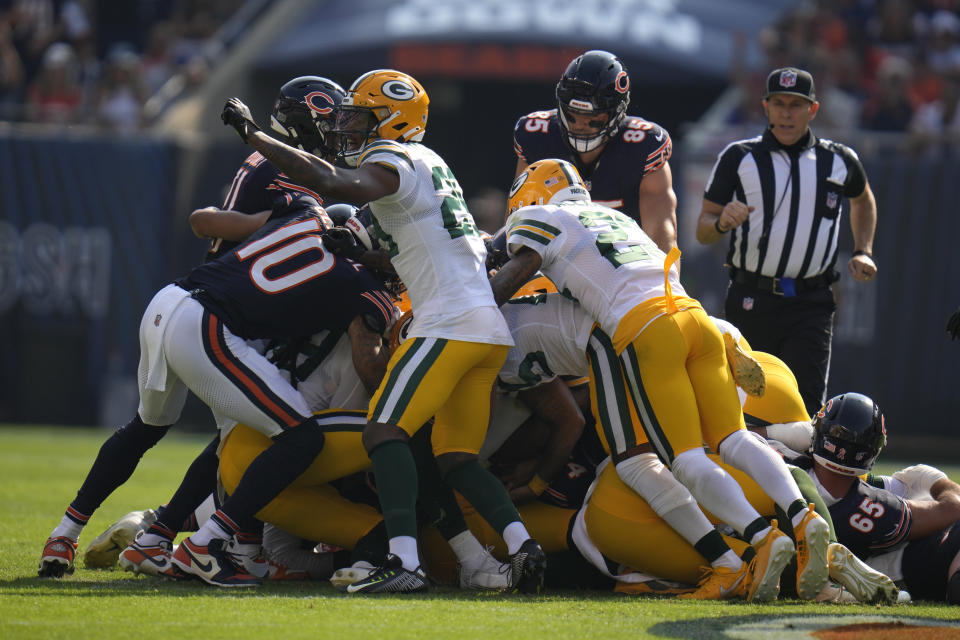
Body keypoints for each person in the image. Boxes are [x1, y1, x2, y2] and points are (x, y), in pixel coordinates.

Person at [221, 68, 545, 594]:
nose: (349, 125)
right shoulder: (431, 162)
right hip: (486, 327)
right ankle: (523, 550)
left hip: (448, 324)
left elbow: (330, 182)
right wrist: (366, 253)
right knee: (456, 458)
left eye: (360, 115)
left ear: (392, 119)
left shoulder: (392, 160)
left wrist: (256, 136)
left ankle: (404, 562)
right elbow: (424, 247)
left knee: (382, 431)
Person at [37, 76, 346, 581]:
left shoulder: (278, 166)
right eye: (329, 122)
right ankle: (208, 546)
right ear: (301, 120)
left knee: (148, 428)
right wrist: (288, 222)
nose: (337, 134)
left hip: (185, 303)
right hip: (225, 317)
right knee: (248, 441)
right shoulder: (282, 168)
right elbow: (208, 220)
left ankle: (70, 535)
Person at [489, 158, 833, 602]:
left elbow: (519, 270)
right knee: (733, 440)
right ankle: (803, 516)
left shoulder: (542, 217)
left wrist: (473, 306)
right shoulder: (615, 216)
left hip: (647, 330)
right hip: (695, 315)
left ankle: (759, 542)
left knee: (680, 460)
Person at [696, 66, 878, 416]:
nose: (786, 113)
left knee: (803, 409)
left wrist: (863, 250)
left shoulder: (838, 160)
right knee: (741, 405)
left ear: (812, 110)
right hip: (750, 297)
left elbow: (864, 198)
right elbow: (702, 230)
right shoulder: (738, 157)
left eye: (796, 105)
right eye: (778, 103)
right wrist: (720, 223)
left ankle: (795, 471)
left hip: (811, 301)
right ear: (766, 107)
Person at [796, 392, 960, 603]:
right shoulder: (871, 504)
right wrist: (933, 478)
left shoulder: (790, 468)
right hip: (915, 563)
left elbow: (750, 440)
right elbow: (953, 507)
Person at [512, 50, 677, 253]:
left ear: (617, 113)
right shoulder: (537, 135)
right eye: (573, 116)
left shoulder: (644, 146)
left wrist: (665, 281)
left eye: (593, 120)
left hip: (625, 259)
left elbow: (663, 236)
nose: (580, 125)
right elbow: (519, 221)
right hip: (556, 259)